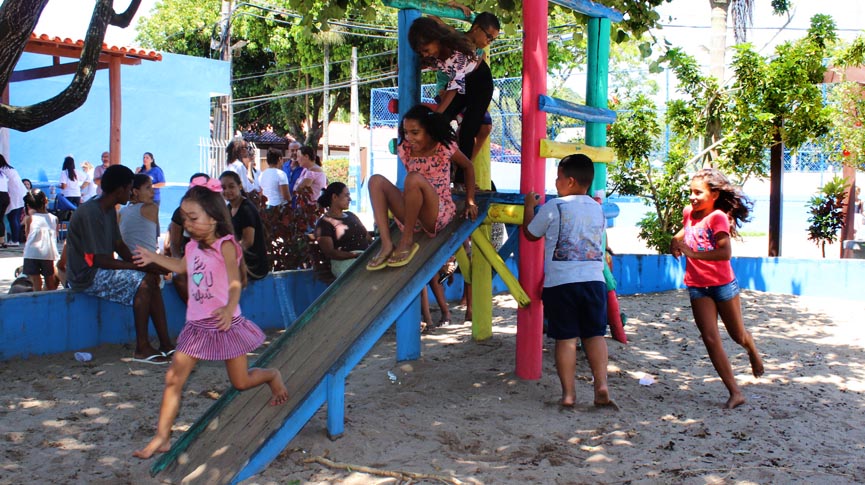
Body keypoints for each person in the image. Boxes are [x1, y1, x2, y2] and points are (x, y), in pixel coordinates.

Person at [131, 183, 289, 460]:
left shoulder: (226, 245)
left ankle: (272, 375)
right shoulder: (192, 247)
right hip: (196, 326)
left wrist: (229, 308)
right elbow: (181, 267)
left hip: (225, 322)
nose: (188, 224)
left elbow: (235, 280)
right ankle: (162, 437)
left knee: (240, 382)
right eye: (185, 218)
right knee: (173, 379)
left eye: (194, 218)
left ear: (214, 217)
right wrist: (153, 257)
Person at [523, 154, 616, 409]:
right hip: (594, 282)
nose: (556, 182)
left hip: (561, 284)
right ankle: (602, 385)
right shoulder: (598, 209)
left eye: (559, 178)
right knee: (595, 335)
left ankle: (568, 395)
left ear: (571, 181)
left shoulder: (555, 206)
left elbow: (531, 234)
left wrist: (529, 207)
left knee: (566, 339)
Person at [671, 168, 764, 409]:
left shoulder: (718, 218)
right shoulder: (689, 213)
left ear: (713, 195)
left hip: (722, 285)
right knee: (710, 339)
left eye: (698, 193)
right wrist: (675, 239)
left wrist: (693, 253)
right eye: (691, 192)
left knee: (736, 335)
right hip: (697, 286)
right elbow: (687, 230)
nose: (692, 197)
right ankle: (735, 392)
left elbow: (725, 252)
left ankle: (751, 348)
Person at [66, 165, 173, 363]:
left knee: (150, 276)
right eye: (129, 187)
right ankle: (142, 347)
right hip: (86, 275)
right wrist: (136, 267)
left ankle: (165, 344)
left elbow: (119, 244)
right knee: (144, 281)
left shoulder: (108, 210)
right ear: (120, 190)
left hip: (99, 269)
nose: (131, 192)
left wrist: (144, 263)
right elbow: (97, 260)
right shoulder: (91, 212)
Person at [366, 104, 477, 270]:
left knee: (413, 179)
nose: (409, 138)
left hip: (437, 213)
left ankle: (406, 240)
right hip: (413, 214)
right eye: (406, 132)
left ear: (429, 131)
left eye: (415, 133)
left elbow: (468, 167)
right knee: (375, 181)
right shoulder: (405, 149)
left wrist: (470, 201)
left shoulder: (444, 147)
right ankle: (387, 244)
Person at [409, 16, 494, 182]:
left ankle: (461, 180)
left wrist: (437, 114)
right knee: (440, 123)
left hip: (480, 84)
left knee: (468, 129)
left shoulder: (456, 52)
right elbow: (438, 25)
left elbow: (453, 90)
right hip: (463, 84)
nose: (425, 54)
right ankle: (440, 170)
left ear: (436, 39)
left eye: (426, 49)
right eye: (422, 52)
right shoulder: (436, 52)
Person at [167, 173, 212, 303]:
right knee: (179, 277)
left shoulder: (215, 211)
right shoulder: (179, 212)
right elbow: (174, 244)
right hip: (188, 258)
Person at [314, 182, 371, 282]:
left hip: (364, 257)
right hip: (344, 261)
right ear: (335, 197)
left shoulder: (351, 215)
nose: (350, 199)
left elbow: (367, 237)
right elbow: (330, 252)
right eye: (346, 195)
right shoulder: (324, 223)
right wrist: (355, 255)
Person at [220, 170, 270, 280]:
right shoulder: (228, 209)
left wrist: (228, 257)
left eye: (231, 186)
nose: (227, 191)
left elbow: (248, 241)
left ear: (240, 186)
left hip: (253, 267)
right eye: (223, 188)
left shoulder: (246, 209)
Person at [21, 189, 60, 291]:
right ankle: (51, 300)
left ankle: (37, 299)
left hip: (31, 252)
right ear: (45, 201)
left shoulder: (30, 218)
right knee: (50, 280)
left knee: (35, 281)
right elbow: (55, 234)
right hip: (48, 253)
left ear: (29, 205)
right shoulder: (54, 218)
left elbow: (27, 234)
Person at [120, 174, 160, 254]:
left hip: (125, 262)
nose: (153, 191)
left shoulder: (121, 212)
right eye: (148, 187)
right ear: (135, 192)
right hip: (147, 262)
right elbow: (156, 236)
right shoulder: (151, 208)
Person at [0, 154, 27, 247]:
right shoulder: (11, 169)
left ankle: (15, 240)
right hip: (22, 193)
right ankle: (15, 239)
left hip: (14, 195)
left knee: (12, 218)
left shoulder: (2, 171)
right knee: (16, 217)